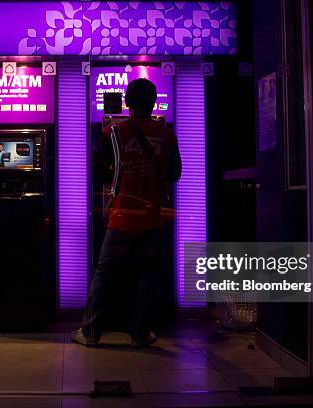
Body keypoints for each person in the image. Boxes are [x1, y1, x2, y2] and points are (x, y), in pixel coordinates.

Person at [72, 78, 182, 347]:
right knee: (147, 274)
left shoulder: (113, 132)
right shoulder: (166, 134)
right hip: (153, 216)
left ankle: (91, 332)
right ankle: (140, 333)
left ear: (127, 103)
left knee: (104, 273)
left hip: (121, 214)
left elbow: (99, 173)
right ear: (154, 102)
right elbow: (175, 174)